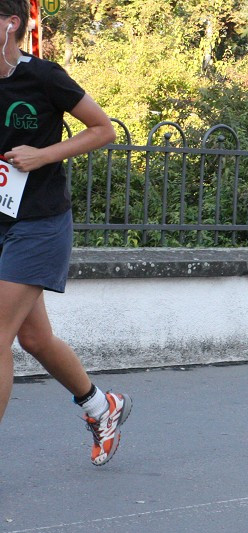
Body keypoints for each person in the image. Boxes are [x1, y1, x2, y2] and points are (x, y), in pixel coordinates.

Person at [0, 0, 130, 465]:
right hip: (1, 220)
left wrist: (43, 155)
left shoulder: (45, 77)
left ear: (10, 23)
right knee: (33, 339)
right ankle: (101, 405)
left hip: (39, 224)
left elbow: (103, 129)